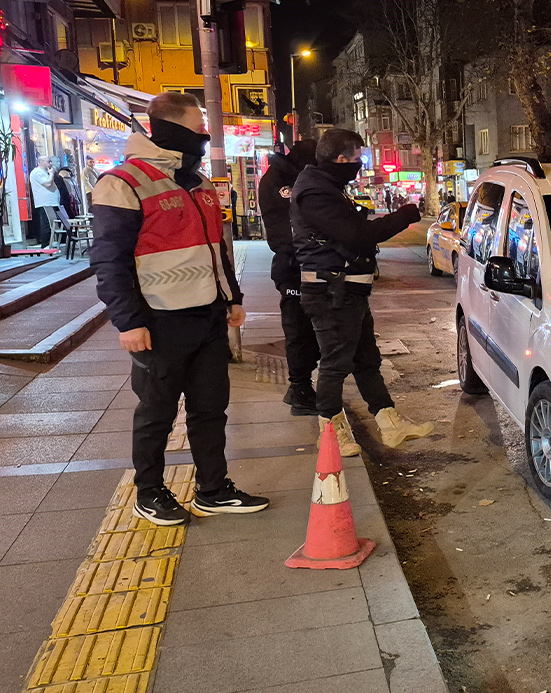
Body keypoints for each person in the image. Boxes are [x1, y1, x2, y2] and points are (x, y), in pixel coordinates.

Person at [90, 91, 269, 526]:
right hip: (158, 319)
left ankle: (213, 489)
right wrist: (128, 322)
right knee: (157, 412)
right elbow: (109, 260)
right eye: (198, 128)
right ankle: (149, 491)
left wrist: (232, 297)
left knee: (210, 408)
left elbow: (216, 249)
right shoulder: (124, 182)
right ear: (170, 128)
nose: (204, 135)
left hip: (207, 315)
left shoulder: (200, 183)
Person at [291, 128, 434, 456]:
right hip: (331, 291)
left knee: (366, 360)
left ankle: (390, 422)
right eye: (357, 158)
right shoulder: (315, 191)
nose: (360, 164)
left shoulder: (325, 186)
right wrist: (404, 216)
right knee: (335, 363)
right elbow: (357, 235)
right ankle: (331, 432)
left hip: (346, 289)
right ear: (341, 159)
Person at [259, 139, 320, 415]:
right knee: (299, 329)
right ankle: (300, 389)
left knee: (308, 330)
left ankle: (299, 387)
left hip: (298, 263)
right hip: (294, 265)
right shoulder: (281, 182)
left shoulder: (289, 177)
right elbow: (288, 228)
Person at [29, 156, 61, 248]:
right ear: (41, 162)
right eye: (48, 161)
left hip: (51, 202)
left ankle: (52, 241)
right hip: (45, 202)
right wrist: (51, 174)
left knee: (53, 223)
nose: (50, 163)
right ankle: (45, 243)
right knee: (47, 223)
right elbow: (47, 183)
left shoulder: (45, 172)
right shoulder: (37, 172)